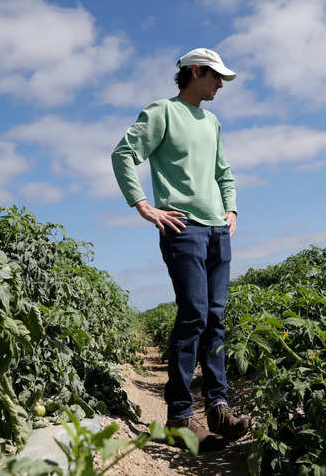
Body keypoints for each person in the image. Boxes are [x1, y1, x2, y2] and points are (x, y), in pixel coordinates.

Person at [111, 48, 250, 451]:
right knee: (194, 314)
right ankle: (179, 418)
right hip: (183, 227)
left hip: (216, 230)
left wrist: (231, 207)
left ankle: (219, 410)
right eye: (215, 77)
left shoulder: (212, 122)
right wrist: (143, 205)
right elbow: (124, 154)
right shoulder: (162, 113)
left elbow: (224, 170)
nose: (220, 85)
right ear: (194, 72)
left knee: (217, 318)